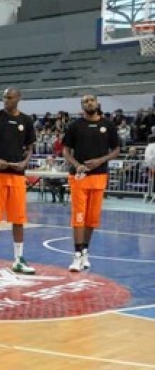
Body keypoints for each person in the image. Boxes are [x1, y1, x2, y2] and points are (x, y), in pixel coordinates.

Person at [0, 87, 37, 275]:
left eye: (10, 98)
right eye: (4, 98)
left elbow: (30, 148)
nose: (6, 101)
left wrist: (25, 163)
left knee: (18, 219)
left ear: (19, 98)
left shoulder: (26, 121)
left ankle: (19, 259)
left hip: (17, 176)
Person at [62, 94, 120, 272]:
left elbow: (116, 149)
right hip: (79, 177)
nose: (89, 103)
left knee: (91, 219)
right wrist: (77, 165)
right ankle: (77, 255)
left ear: (97, 103)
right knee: (78, 217)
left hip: (99, 176)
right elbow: (65, 150)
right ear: (82, 106)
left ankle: (85, 250)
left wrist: (100, 161)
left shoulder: (108, 125)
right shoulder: (75, 126)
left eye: (92, 100)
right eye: (86, 101)